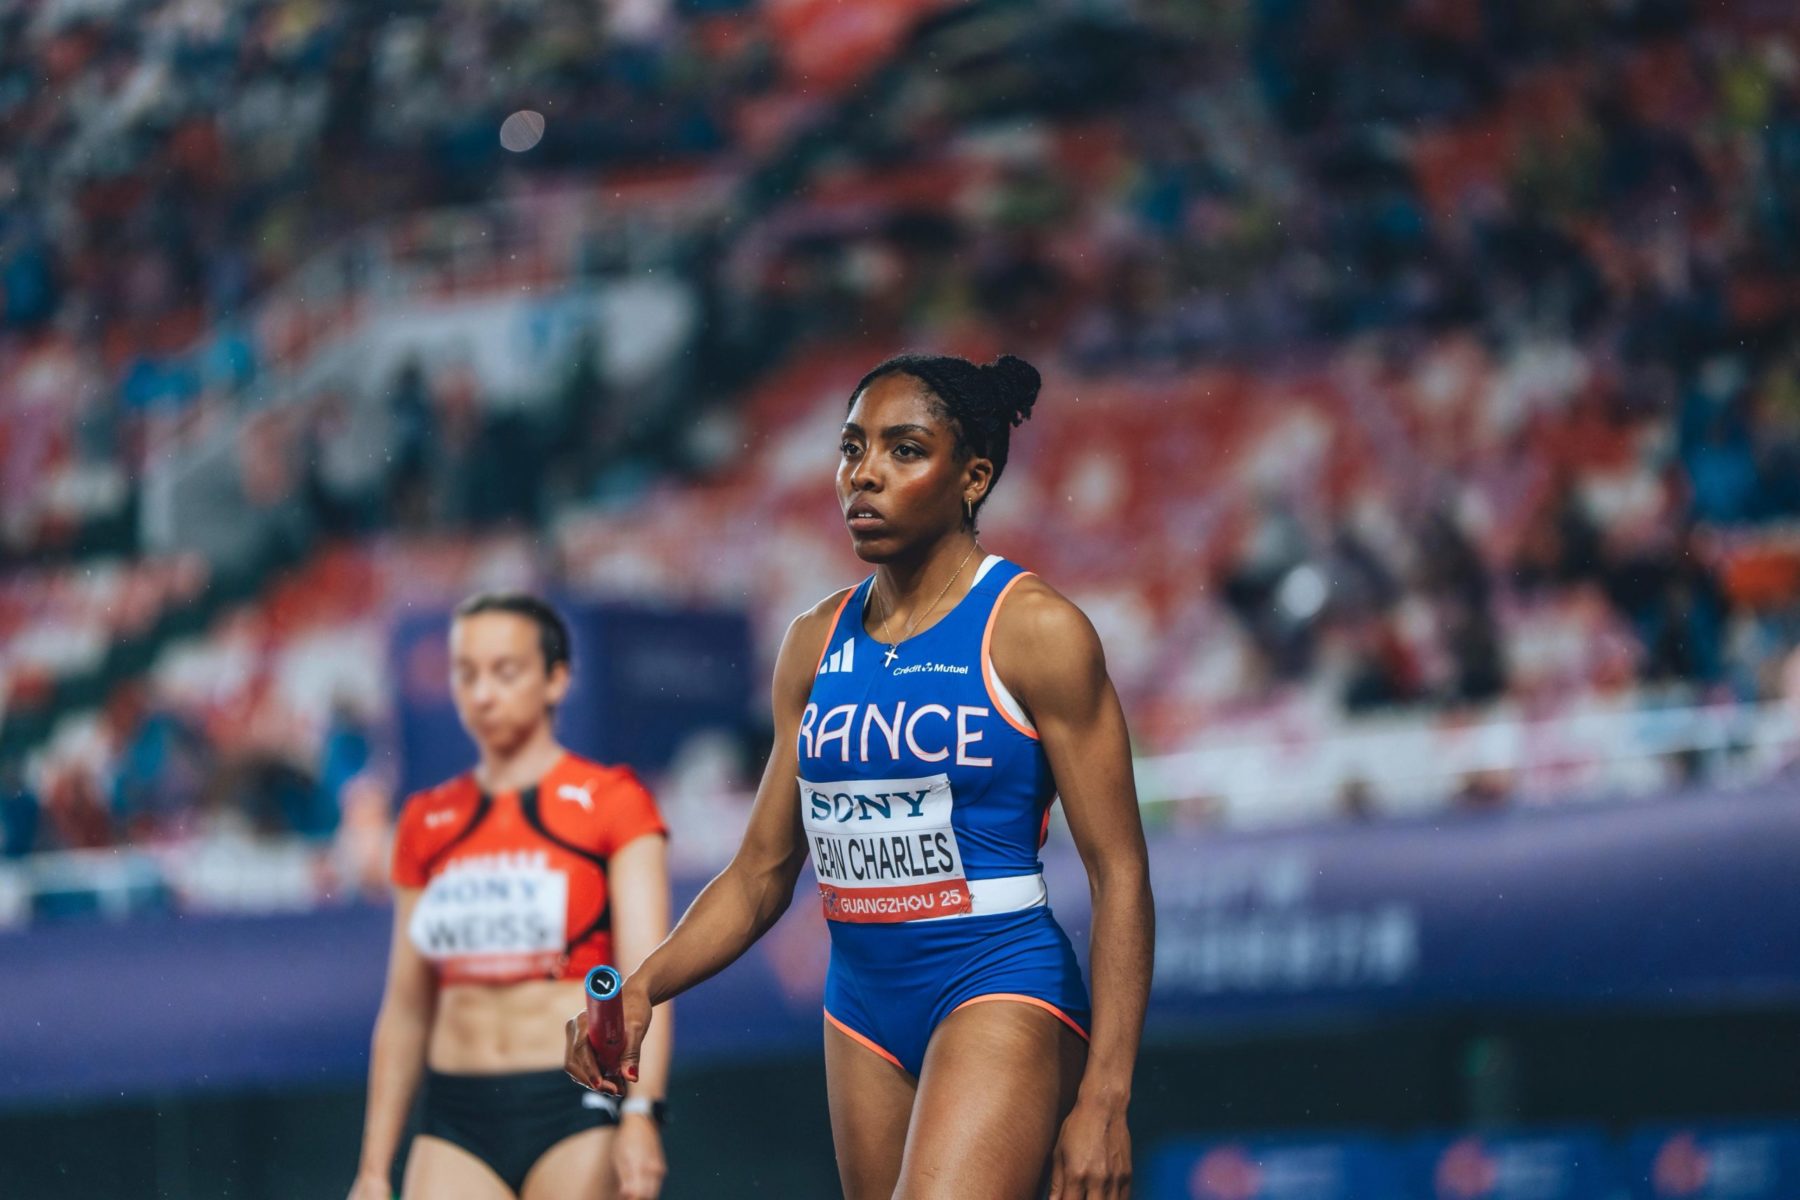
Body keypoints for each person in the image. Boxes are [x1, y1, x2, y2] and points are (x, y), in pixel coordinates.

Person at [565, 353, 1154, 1199]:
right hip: (863, 1004)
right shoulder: (813, 642)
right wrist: (642, 988)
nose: (864, 475)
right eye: (851, 449)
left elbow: (1120, 872)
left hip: (998, 979)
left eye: (904, 451)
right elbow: (763, 873)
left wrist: (1105, 1097)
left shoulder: (1036, 631)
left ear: (972, 477)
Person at [352, 593, 673, 1200]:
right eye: (467, 673)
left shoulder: (614, 803)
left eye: (506, 671)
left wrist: (642, 1114)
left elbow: (647, 983)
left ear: (556, 679)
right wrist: (373, 1170)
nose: (483, 693)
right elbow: (406, 1006)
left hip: (572, 1106)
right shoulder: (425, 822)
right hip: (455, 1115)